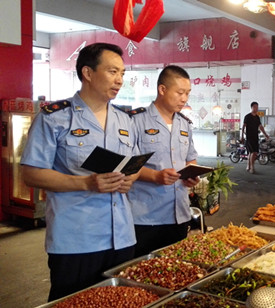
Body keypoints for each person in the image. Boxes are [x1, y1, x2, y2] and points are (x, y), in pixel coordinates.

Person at [20, 43, 139, 301]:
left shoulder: (125, 120)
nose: (119, 80)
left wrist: (130, 178)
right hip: (76, 239)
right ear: (87, 73)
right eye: (112, 72)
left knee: (119, 302)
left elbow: (135, 165)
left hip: (122, 236)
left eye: (122, 73)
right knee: (72, 302)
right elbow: (31, 173)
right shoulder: (55, 118)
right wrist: (87, 183)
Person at [128, 65, 200, 257]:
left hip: (179, 215)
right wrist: (155, 176)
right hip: (145, 217)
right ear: (162, 89)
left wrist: (191, 175)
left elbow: (190, 158)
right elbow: (127, 165)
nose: (184, 99)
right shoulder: (136, 121)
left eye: (188, 93)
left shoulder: (185, 124)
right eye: (180, 92)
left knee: (176, 271)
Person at [241, 101, 269, 174]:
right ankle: (252, 167)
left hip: (255, 137)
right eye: (255, 107)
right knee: (252, 152)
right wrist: (242, 136)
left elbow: (260, 127)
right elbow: (243, 126)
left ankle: (248, 165)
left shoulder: (257, 117)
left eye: (257, 107)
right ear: (252, 107)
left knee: (252, 153)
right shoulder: (247, 116)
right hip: (249, 137)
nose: (256, 108)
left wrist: (265, 134)